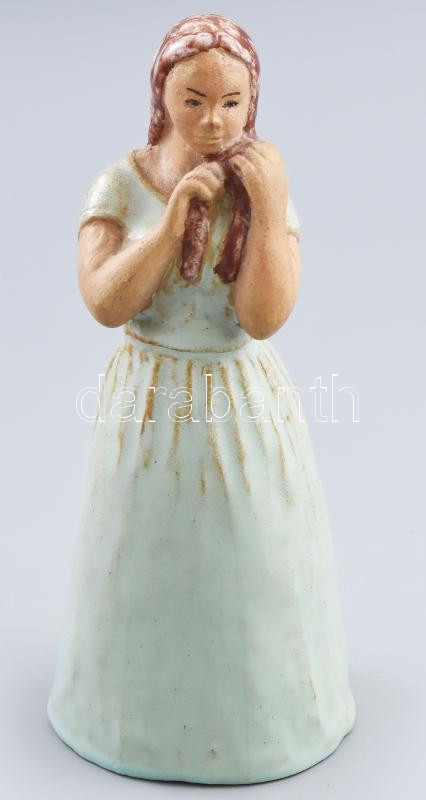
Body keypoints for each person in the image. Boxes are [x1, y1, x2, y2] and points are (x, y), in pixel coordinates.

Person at [47, 13, 355, 785]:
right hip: (150, 397)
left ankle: (266, 724)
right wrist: (171, 222)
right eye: (193, 100)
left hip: (237, 395)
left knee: (251, 553)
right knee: (143, 550)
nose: (214, 121)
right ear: (161, 96)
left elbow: (263, 317)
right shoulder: (121, 185)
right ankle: (130, 720)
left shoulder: (261, 184)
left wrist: (269, 203)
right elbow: (105, 301)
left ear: (254, 101)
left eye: (231, 103)